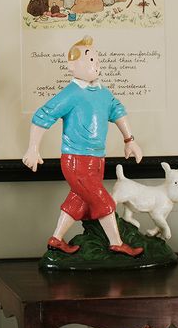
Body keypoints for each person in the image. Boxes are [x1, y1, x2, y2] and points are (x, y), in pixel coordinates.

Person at [22, 36, 144, 256]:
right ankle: (116, 243)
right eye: (90, 60)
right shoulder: (71, 94)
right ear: (72, 65)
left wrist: (130, 140)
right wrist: (33, 148)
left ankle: (56, 239)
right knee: (103, 200)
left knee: (78, 200)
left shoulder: (103, 94)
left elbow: (118, 111)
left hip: (97, 160)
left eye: (96, 59)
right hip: (76, 161)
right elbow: (42, 116)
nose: (96, 64)